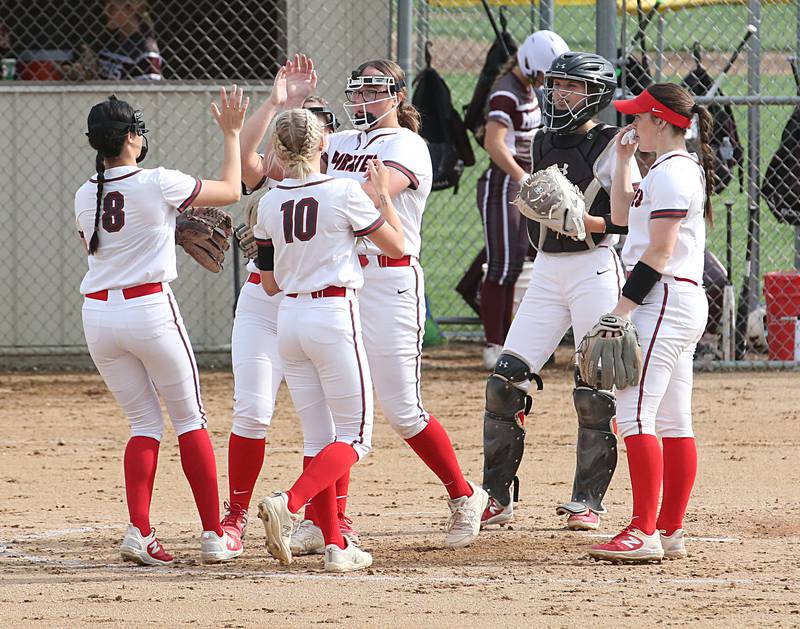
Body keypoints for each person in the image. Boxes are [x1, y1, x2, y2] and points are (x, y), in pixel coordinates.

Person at [243, 57, 489, 551]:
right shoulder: (339, 141)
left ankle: (464, 496)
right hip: (345, 279)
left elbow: (365, 198)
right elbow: (262, 170)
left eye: (373, 91)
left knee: (401, 410)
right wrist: (285, 110)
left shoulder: (408, 144)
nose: (361, 100)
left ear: (398, 95)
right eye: (355, 91)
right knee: (336, 411)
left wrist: (300, 189)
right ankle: (328, 521)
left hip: (391, 279)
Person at [75, 86, 248, 565]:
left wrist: (167, 228)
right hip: (149, 310)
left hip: (99, 316)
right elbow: (232, 191)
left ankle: (140, 532)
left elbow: (110, 241)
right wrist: (232, 134)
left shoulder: (84, 193)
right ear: (131, 138)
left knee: (144, 422)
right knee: (190, 418)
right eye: (136, 131)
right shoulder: (158, 181)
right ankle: (215, 534)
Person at [480, 52, 642, 532]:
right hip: (548, 269)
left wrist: (583, 220)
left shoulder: (614, 143)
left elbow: (624, 220)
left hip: (593, 267)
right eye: (556, 86)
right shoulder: (544, 138)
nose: (559, 95)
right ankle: (496, 497)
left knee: (594, 385)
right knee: (504, 381)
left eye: (571, 88)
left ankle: (588, 501)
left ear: (596, 94)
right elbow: (536, 201)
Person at [254, 108, 405, 572]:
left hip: (290, 318)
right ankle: (291, 501)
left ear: (278, 152)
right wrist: (383, 197)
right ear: (324, 146)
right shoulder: (343, 191)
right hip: (333, 314)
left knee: (319, 438)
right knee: (355, 438)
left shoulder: (267, 202)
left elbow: (269, 283)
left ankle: (337, 546)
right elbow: (398, 247)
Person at [220, 59, 343, 551]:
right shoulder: (274, 172)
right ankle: (234, 519)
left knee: (331, 423)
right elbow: (247, 154)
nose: (307, 122)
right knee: (252, 411)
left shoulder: (345, 179)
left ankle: (330, 519)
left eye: (315, 117)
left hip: (316, 308)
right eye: (302, 117)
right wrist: (276, 103)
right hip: (264, 304)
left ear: (329, 136)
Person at [588, 83, 712, 563]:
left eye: (639, 117)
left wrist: (621, 310)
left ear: (661, 121)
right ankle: (669, 528)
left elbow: (658, 252)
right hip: (675, 298)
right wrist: (624, 159)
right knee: (673, 419)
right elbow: (621, 217)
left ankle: (643, 531)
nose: (632, 124)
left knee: (634, 413)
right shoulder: (662, 170)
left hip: (663, 297)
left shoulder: (675, 174)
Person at [477, 31, 569, 370]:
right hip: (504, 184)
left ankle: (506, 340)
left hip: (522, 184)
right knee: (502, 265)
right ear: (529, 64)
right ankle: (493, 342)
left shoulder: (527, 89)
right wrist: (522, 177)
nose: (547, 81)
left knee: (515, 264)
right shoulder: (507, 92)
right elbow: (494, 142)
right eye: (544, 74)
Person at [96, 0, 163, 80]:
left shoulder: (144, 49)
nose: (105, 12)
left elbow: (147, 91)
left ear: (132, 8)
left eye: (112, 7)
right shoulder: (108, 40)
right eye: (105, 5)